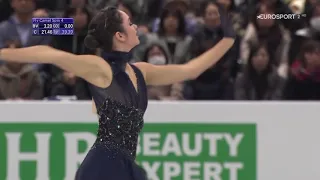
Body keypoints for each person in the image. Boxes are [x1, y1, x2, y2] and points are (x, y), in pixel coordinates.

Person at [0, 6, 235, 180]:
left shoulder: (141, 71)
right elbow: (49, 54)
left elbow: (190, 70)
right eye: (130, 23)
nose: (135, 26)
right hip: (103, 166)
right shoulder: (100, 68)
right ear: (119, 36)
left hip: (124, 164)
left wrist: (227, 40)